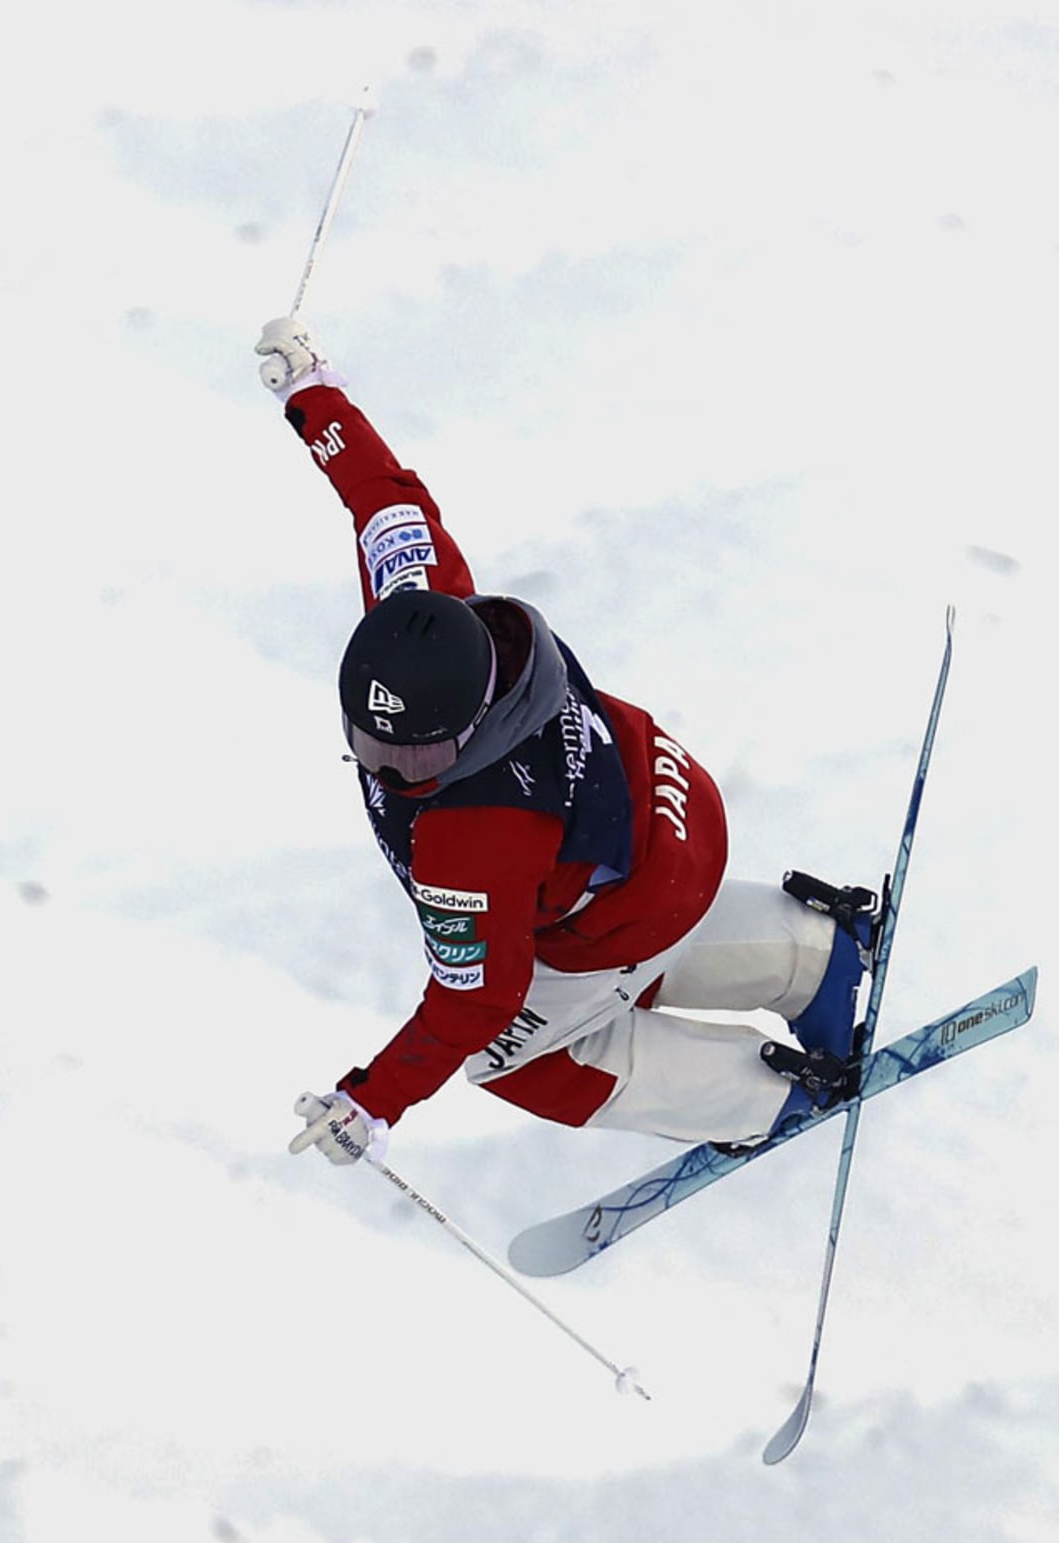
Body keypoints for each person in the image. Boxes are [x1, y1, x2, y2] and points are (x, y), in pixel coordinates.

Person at [259, 315, 878, 1170]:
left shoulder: (469, 837)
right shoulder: (430, 602)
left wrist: (373, 1101)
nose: (395, 775)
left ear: (473, 723)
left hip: (638, 897)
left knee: (513, 1053)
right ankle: (809, 953)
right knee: (563, 952)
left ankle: (764, 1096)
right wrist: (310, 395)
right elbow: (386, 501)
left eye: (420, 759)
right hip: (669, 802)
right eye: (370, 746)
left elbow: (474, 1003)